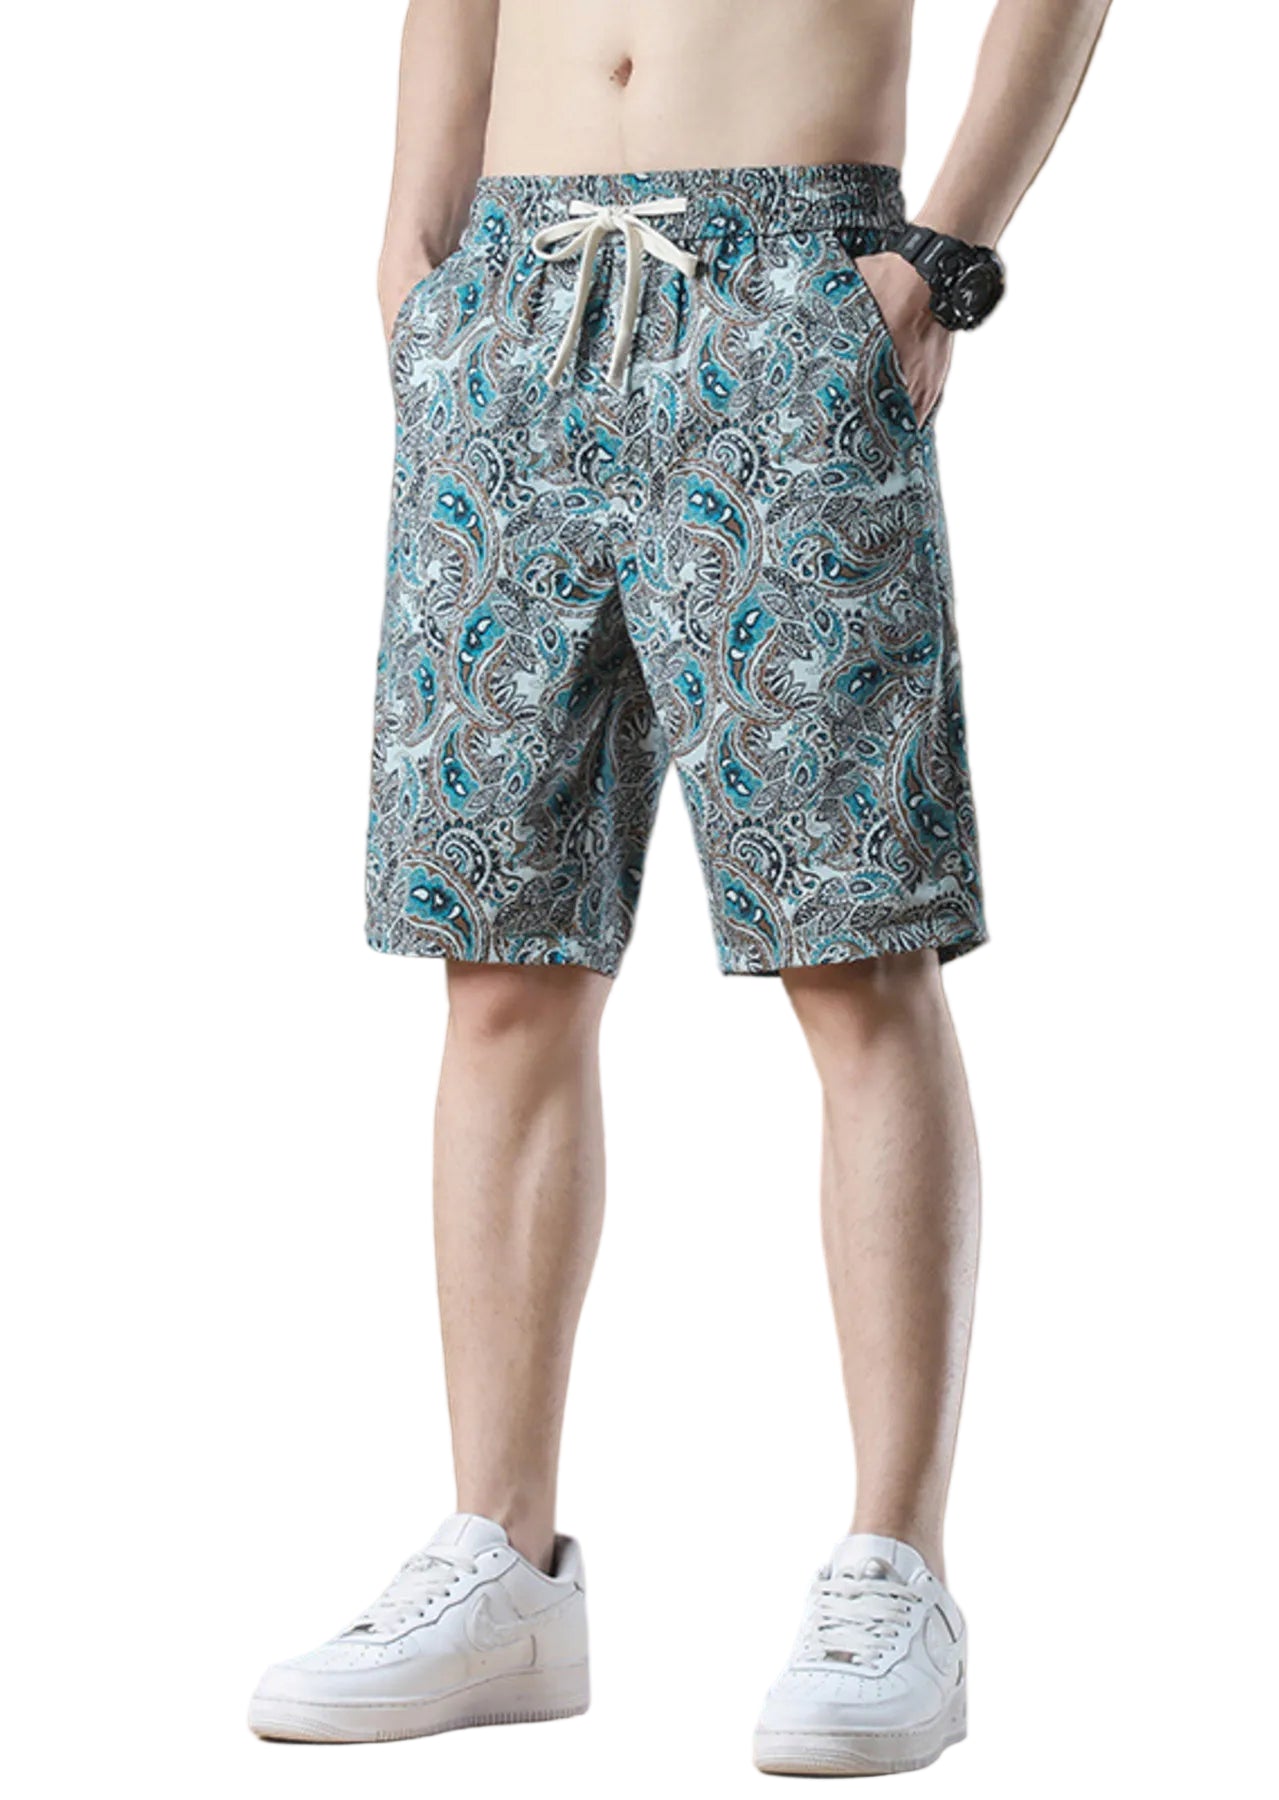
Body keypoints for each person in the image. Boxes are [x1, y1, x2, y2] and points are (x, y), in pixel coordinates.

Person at [250, 0, 1111, 1775]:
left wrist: (938, 259)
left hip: (789, 292)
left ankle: (893, 1566)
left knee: (853, 944)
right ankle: (503, 1563)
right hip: (508, 304)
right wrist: (415, 270)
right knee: (497, 961)